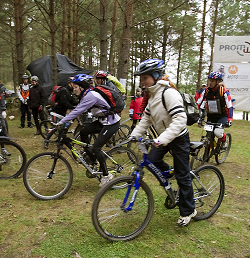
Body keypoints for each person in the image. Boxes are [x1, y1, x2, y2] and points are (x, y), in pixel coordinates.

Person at [130, 59, 196, 226]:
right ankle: (169, 172)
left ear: (155, 76)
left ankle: (188, 211)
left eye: (145, 77)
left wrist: (161, 139)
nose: (142, 82)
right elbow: (146, 119)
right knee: (151, 160)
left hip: (178, 137)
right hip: (163, 137)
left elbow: (181, 120)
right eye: (141, 78)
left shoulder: (169, 93)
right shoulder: (152, 96)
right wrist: (133, 135)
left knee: (183, 175)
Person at [57, 74, 120, 187]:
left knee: (96, 147)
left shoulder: (90, 95)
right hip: (102, 121)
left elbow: (77, 110)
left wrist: (61, 122)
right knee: (83, 131)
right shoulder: (86, 95)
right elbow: (80, 109)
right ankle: (92, 158)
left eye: (76, 87)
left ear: (82, 87)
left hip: (111, 123)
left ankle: (106, 176)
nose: (74, 89)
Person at [197, 71, 233, 145]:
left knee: (217, 133)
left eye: (212, 81)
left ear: (218, 82)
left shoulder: (223, 91)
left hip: (222, 116)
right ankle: (207, 153)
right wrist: (196, 114)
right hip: (211, 116)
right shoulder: (206, 91)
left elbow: (230, 106)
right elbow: (198, 103)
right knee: (209, 135)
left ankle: (224, 140)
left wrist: (230, 119)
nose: (210, 82)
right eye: (209, 80)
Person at [0, 85, 10, 155]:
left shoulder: (1, 96)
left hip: (0, 114)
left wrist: (3, 110)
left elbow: (3, 105)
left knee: (2, 127)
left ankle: (3, 148)